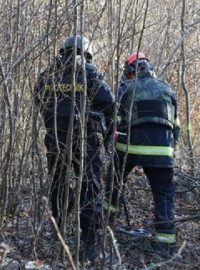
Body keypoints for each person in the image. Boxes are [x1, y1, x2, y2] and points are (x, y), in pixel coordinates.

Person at [34, 34, 114, 262]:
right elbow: (109, 103)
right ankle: (89, 244)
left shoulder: (48, 73)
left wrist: (53, 121)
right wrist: (107, 137)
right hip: (86, 142)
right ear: (87, 52)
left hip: (55, 140)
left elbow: (39, 99)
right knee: (90, 188)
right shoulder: (90, 72)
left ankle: (58, 230)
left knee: (58, 184)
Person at [106, 52, 180, 257]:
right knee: (163, 195)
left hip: (129, 148)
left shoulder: (127, 89)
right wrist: (170, 151)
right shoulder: (168, 89)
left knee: (113, 184)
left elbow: (116, 123)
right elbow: (176, 126)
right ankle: (165, 246)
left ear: (131, 71)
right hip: (163, 152)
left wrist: (111, 146)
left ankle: (105, 226)